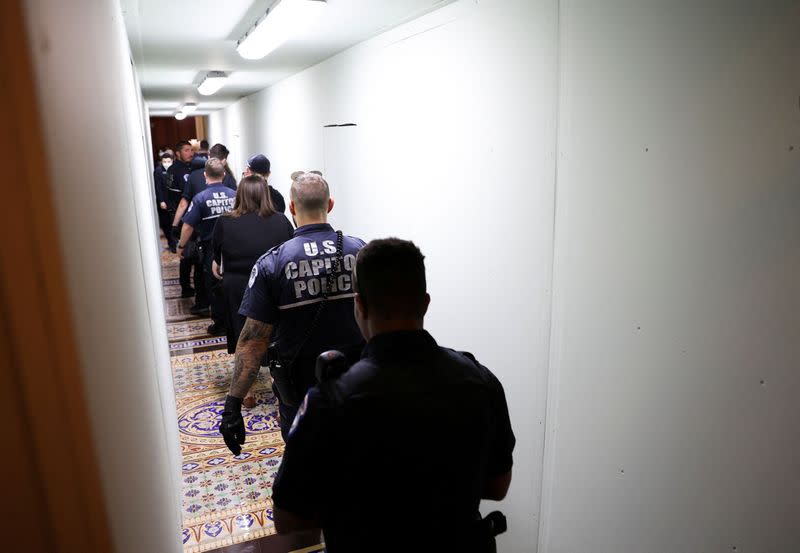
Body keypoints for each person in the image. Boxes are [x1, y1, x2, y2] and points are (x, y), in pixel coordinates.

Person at [269, 238, 516, 552]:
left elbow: (287, 519)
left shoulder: (329, 401)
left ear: (359, 305)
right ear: (425, 302)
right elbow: (498, 487)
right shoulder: (479, 380)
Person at [219, 172, 364, 445]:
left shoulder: (272, 264)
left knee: (305, 464)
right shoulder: (361, 252)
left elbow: (253, 341)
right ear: (330, 205)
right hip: (356, 384)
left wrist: (233, 404)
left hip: (299, 391)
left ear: (293, 207)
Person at [210, 175, 294, 404]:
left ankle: (245, 392)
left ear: (240, 196)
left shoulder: (225, 221)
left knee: (242, 333)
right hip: (273, 282)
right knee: (277, 332)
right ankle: (278, 381)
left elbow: (217, 258)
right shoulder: (281, 221)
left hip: (238, 284)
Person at [177, 158, 236, 331]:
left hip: (211, 249)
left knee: (214, 285)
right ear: (224, 175)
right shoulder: (234, 195)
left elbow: (188, 226)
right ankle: (234, 319)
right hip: (233, 246)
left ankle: (220, 324)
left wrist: (181, 246)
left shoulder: (200, 198)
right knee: (232, 282)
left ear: (205, 175)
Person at [153, 152, 174, 251]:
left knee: (174, 222)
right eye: (164, 161)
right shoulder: (158, 171)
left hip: (173, 201)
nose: (166, 163)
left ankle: (175, 241)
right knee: (166, 223)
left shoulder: (174, 170)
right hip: (164, 201)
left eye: (168, 161)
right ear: (161, 162)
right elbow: (158, 188)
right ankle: (171, 243)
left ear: (172, 161)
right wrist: (161, 201)